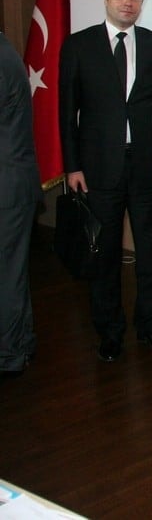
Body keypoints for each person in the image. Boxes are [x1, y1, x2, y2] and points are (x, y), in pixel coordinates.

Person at [58, 0, 152, 362]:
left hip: (147, 169)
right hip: (97, 171)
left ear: (143, 1)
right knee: (104, 255)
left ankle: (150, 327)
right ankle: (109, 332)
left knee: (151, 253)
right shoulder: (78, 46)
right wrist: (72, 166)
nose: (128, 3)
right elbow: (66, 112)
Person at [0, 31, 41, 379]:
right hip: (12, 186)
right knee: (11, 272)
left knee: (7, 274)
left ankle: (10, 354)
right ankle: (20, 343)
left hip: (8, 189)